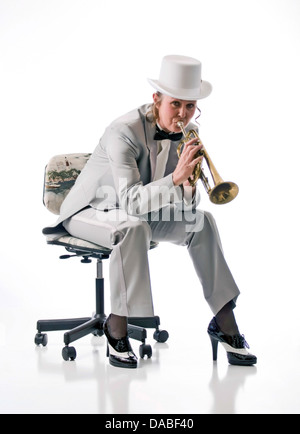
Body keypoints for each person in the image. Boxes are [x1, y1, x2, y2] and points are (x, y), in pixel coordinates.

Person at [43, 55, 257, 369]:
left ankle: (225, 324)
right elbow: (129, 202)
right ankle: (116, 329)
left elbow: (186, 205)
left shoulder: (188, 131)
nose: (183, 114)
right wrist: (175, 178)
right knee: (133, 227)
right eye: (176, 104)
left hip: (138, 211)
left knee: (202, 222)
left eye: (190, 105)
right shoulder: (123, 131)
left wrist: (187, 183)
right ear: (156, 99)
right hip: (90, 209)